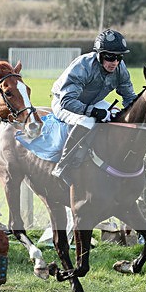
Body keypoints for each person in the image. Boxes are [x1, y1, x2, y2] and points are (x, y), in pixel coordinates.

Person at [50, 28, 136, 184]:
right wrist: (93, 111)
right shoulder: (83, 66)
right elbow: (67, 101)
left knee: (118, 116)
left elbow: (130, 97)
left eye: (118, 57)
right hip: (63, 102)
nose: (114, 62)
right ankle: (62, 165)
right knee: (87, 121)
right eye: (110, 57)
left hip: (93, 101)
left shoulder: (120, 68)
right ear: (99, 55)